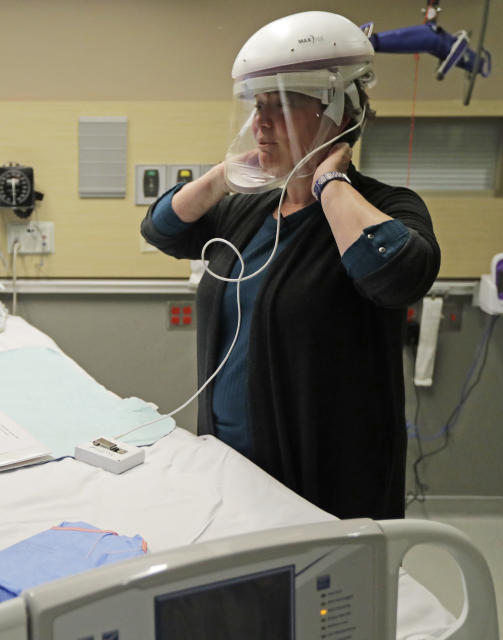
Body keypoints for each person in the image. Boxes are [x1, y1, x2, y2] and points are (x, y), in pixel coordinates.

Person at [141, 11, 441, 520]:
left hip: (323, 479)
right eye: (257, 108)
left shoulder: (388, 206)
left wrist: (329, 184)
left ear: (340, 114)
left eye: (279, 105)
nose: (260, 124)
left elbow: (400, 275)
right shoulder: (251, 209)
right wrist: (222, 176)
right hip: (228, 464)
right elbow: (162, 229)